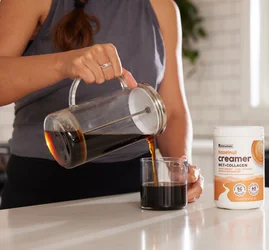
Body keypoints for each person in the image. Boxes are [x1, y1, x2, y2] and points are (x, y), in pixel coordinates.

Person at [0, 0, 204, 209]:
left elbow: (171, 111)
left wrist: (181, 167)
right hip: (42, 183)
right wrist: (63, 64)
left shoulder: (161, 7)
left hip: (132, 189)